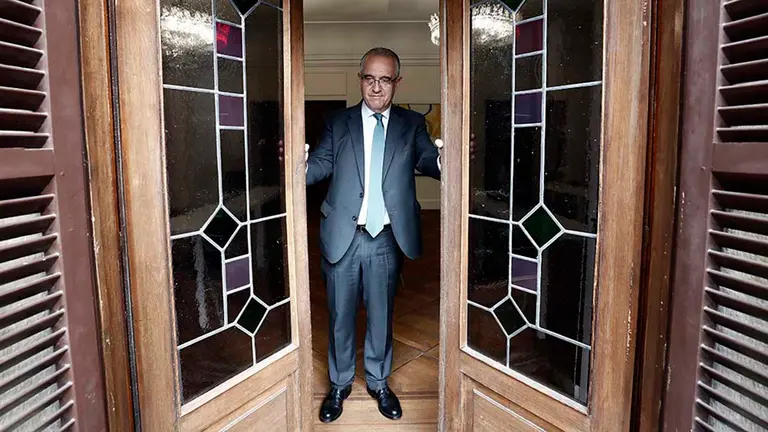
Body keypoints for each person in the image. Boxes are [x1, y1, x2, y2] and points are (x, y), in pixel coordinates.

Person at [306, 47, 442, 423]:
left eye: (385, 80)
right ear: (360, 79)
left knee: (382, 316)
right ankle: (339, 383)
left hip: (386, 238)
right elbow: (319, 164)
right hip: (343, 234)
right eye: (370, 78)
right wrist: (296, 167)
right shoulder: (338, 121)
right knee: (339, 315)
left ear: (397, 82)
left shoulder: (411, 124)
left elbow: (429, 159)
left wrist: (449, 160)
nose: (377, 88)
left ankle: (380, 382)